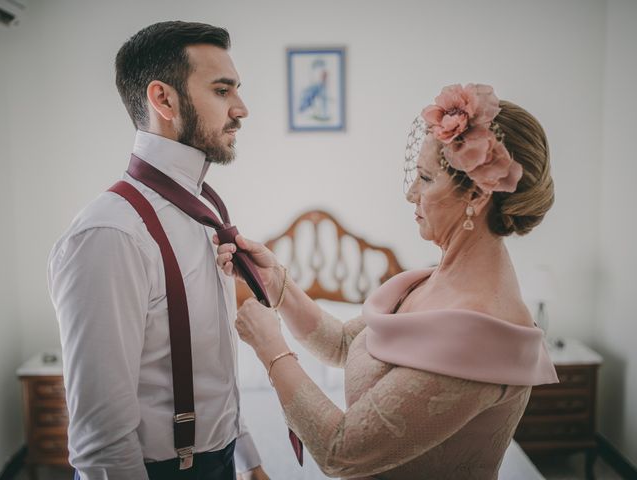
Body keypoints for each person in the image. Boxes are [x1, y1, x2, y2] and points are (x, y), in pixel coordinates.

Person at [215, 84, 559, 479]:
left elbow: (340, 452)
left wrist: (270, 348)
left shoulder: (480, 329)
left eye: (426, 179)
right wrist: (276, 282)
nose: (412, 193)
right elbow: (344, 344)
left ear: (478, 196)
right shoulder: (432, 281)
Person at [48, 21, 269, 480]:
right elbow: (101, 442)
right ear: (163, 99)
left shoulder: (205, 206)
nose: (242, 108)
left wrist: (247, 457)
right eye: (223, 90)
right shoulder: (110, 233)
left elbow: (212, 360)